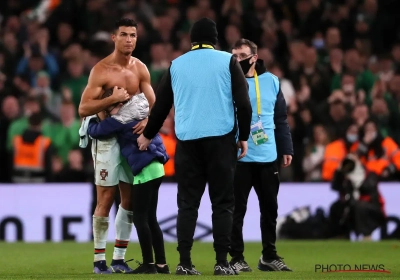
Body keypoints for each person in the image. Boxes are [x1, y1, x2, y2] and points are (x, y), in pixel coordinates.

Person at [137, 18, 252, 276]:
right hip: (221, 141)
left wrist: (147, 134)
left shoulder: (176, 65)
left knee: (187, 204)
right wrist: (242, 135)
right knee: (222, 203)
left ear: (191, 39)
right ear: (215, 39)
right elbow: (243, 104)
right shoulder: (227, 61)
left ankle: (185, 263)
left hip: (187, 143)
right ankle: (222, 262)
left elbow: (161, 106)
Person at [78, 18, 156, 274]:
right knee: (106, 196)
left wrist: (147, 120)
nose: (129, 40)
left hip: (129, 139)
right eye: (123, 35)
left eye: (133, 35)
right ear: (114, 38)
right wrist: (112, 99)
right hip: (107, 139)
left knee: (129, 199)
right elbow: (83, 108)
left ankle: (119, 258)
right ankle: (99, 260)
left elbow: (155, 104)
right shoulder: (101, 70)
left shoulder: (140, 69)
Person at [87, 89, 170, 274]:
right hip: (158, 167)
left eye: (110, 109)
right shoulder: (140, 112)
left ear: (119, 105)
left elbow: (96, 131)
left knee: (141, 218)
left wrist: (93, 119)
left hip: (145, 170)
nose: (109, 113)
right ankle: (161, 265)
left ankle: (148, 265)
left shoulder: (120, 119)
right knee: (151, 218)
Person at [229, 39, 294, 272]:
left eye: (241, 55)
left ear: (254, 58)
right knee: (237, 211)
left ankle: (269, 256)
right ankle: (236, 258)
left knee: (270, 210)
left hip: (268, 155)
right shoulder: (226, 81)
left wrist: (286, 148)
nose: (236, 59)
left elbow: (280, 119)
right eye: (233, 55)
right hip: (238, 157)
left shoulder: (272, 81)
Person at [328, 153, 386, 240]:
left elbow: (369, 187)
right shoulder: (345, 177)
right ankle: (340, 235)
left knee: (359, 206)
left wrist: (355, 179)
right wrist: (339, 170)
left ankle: (366, 235)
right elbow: (335, 187)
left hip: (372, 208)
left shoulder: (369, 174)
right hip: (352, 205)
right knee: (336, 206)